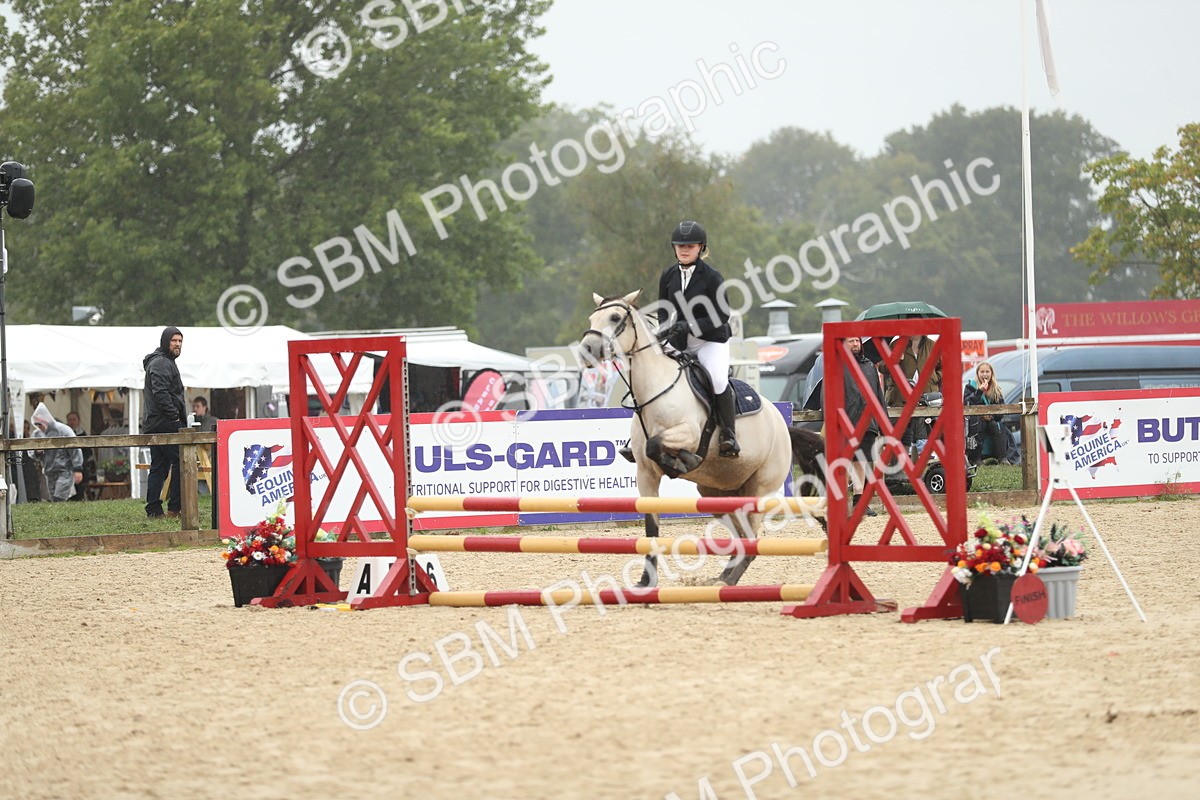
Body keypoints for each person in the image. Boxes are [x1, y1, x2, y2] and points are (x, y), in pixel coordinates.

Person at [657, 220, 739, 457]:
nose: (684, 250)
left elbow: (722, 314)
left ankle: (729, 435)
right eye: (680, 245)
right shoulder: (668, 275)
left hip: (711, 341)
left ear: (701, 248)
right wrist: (665, 329)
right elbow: (663, 308)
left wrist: (690, 326)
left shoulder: (712, 276)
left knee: (717, 379)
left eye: (690, 246)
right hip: (680, 341)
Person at [803, 337, 884, 516]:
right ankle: (839, 503)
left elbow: (878, 395)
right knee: (842, 462)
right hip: (843, 423)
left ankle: (859, 502)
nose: (855, 344)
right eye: (851, 341)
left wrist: (883, 422)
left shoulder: (869, 366)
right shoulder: (834, 366)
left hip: (867, 423)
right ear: (843, 344)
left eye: (857, 341)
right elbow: (827, 397)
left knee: (860, 462)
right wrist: (832, 420)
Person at [142, 326, 186, 519]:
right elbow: (161, 393)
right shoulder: (161, 362)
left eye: (180, 341)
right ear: (165, 342)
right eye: (174, 341)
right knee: (181, 462)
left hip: (157, 422)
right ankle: (175, 508)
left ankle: (154, 509)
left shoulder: (163, 361)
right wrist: (174, 416)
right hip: (165, 422)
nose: (177, 344)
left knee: (159, 466)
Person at [882, 334, 942, 446]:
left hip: (926, 396)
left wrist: (935, 377)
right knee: (902, 436)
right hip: (901, 397)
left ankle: (923, 461)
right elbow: (882, 367)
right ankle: (902, 461)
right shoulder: (896, 344)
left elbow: (942, 366)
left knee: (926, 434)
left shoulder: (932, 345)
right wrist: (894, 360)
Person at [964, 359, 1018, 465]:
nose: (984, 374)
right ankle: (976, 458)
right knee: (979, 426)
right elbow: (968, 403)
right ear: (978, 373)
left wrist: (992, 416)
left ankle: (1002, 458)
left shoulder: (996, 389)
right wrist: (979, 391)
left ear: (991, 373)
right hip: (976, 420)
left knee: (996, 426)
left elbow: (1001, 409)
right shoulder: (970, 386)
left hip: (992, 419)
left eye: (987, 372)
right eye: (982, 372)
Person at [29, 402, 84, 502]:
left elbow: (75, 449)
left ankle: (62, 515)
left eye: (40, 424)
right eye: (36, 424)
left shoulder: (63, 431)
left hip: (65, 470)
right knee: (53, 498)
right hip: (49, 472)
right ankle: (58, 516)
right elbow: (30, 449)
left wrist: (77, 469)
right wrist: (37, 452)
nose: (39, 427)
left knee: (59, 497)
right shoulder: (37, 434)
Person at [64, 411, 95, 501]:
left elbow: (88, 453)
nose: (72, 422)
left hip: (81, 467)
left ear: (78, 421)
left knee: (79, 491)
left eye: (74, 419)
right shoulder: (64, 435)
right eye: (70, 420)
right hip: (67, 468)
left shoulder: (83, 435)